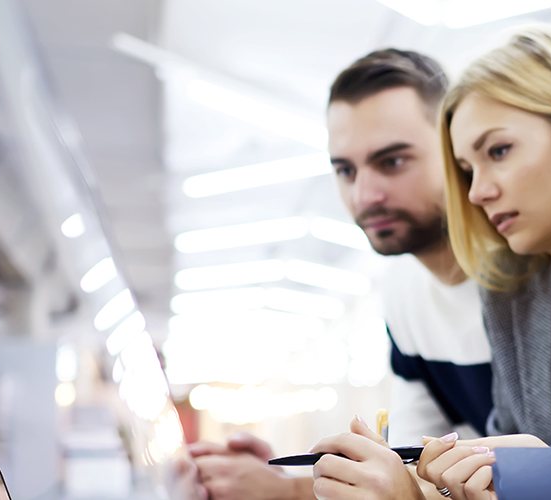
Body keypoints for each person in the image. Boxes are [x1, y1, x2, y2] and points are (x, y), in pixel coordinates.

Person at [310, 26, 551, 500]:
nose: (476, 192)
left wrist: (547, 472)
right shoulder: (511, 298)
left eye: (499, 151)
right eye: (467, 169)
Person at [190, 48, 494, 500]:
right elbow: (414, 472)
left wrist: (289, 493)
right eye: (345, 170)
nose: (364, 194)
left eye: (392, 161)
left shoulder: (536, 273)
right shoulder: (403, 295)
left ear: (458, 150)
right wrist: (291, 481)